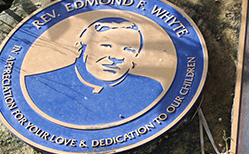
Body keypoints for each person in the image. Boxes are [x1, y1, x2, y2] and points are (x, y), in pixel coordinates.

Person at [24, 17, 164, 128]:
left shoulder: (150, 90)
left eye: (129, 50)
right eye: (106, 46)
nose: (116, 56)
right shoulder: (39, 85)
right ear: (81, 47)